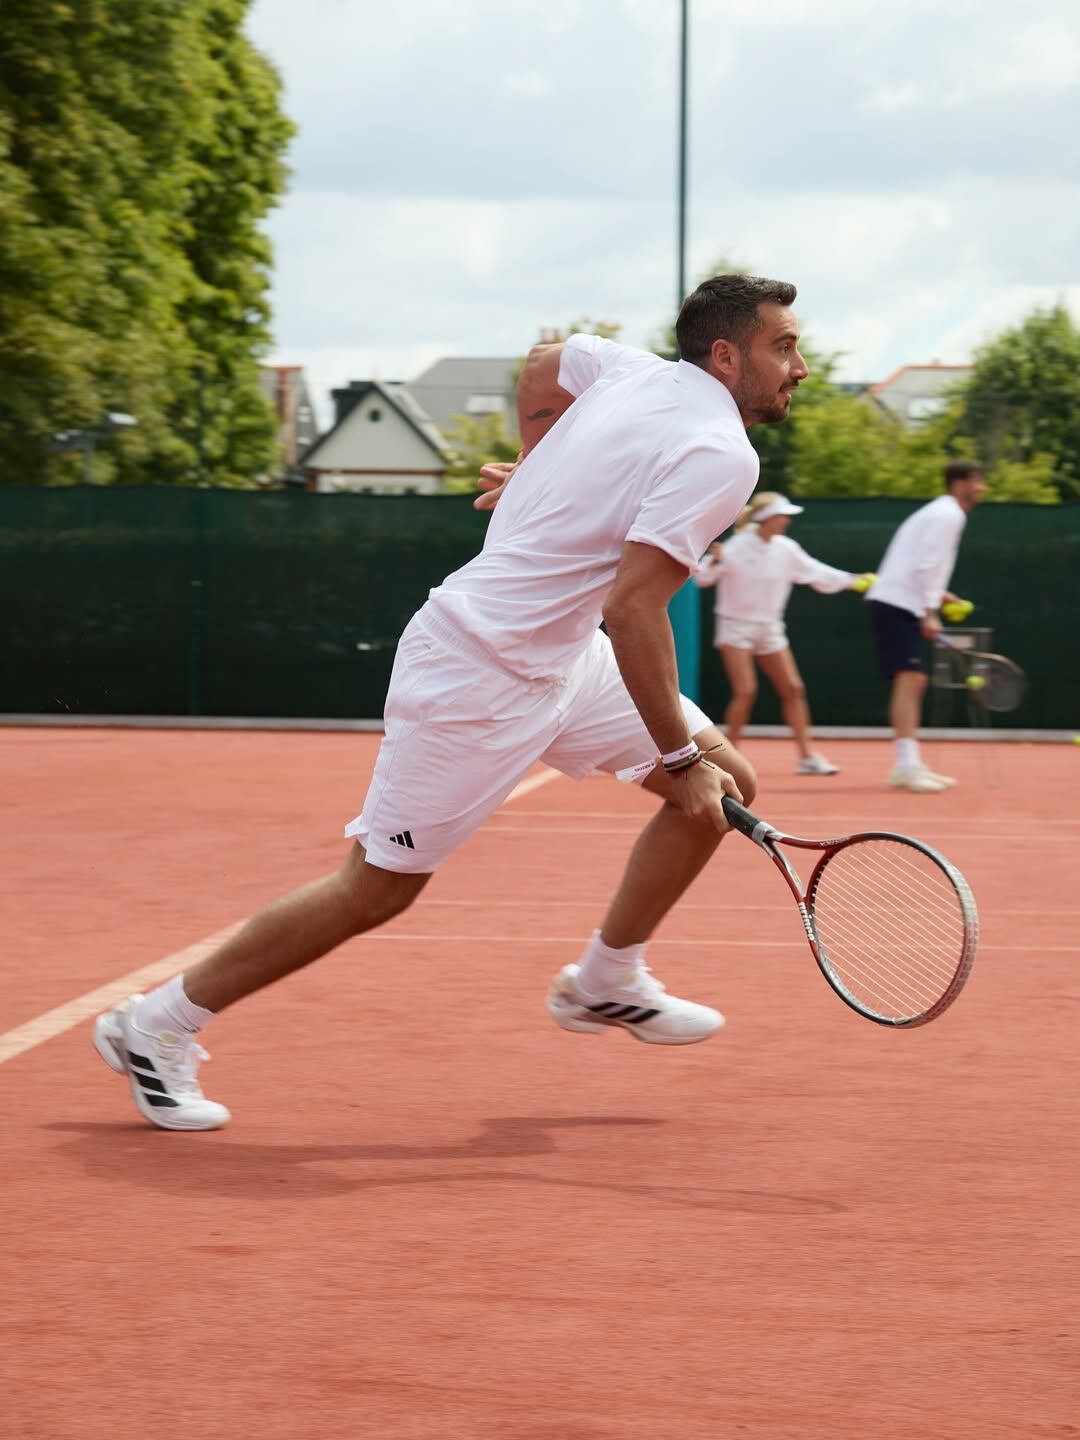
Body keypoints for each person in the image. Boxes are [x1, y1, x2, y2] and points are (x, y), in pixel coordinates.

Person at [93, 274, 810, 1131]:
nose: (799, 365)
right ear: (725, 354)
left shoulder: (631, 374)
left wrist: (543, 470)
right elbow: (633, 607)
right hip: (477, 674)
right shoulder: (722, 454)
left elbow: (548, 363)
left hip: (563, 659)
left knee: (727, 786)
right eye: (783, 346)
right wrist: (679, 759)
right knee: (378, 890)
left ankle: (604, 983)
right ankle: (154, 1025)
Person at [694, 491, 872, 775]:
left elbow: (817, 572)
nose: (786, 521)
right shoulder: (736, 547)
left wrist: (853, 581)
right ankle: (729, 760)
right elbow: (702, 579)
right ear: (766, 519)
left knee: (793, 689)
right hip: (735, 626)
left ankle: (807, 757)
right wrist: (713, 560)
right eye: (781, 515)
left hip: (770, 627)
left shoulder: (787, 549)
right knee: (746, 691)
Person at [865, 459, 987, 793]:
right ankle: (905, 766)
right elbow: (926, 564)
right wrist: (929, 611)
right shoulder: (949, 514)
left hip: (900, 599)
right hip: (897, 602)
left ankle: (910, 763)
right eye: (977, 481)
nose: (982, 488)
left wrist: (938, 597)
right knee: (912, 679)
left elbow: (919, 564)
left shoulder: (939, 512)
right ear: (960, 484)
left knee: (914, 680)